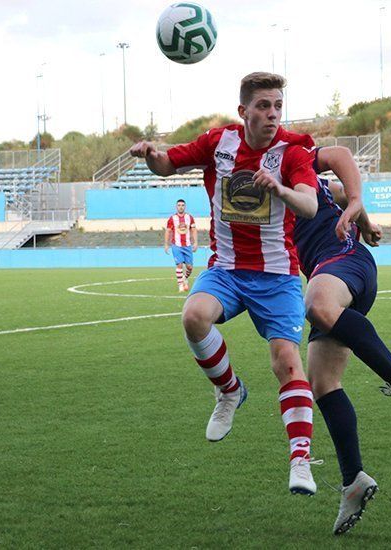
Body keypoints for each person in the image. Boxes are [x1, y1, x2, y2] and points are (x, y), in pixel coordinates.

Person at [129, 72, 322, 495]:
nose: (272, 115)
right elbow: (165, 165)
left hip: (277, 275)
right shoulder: (218, 142)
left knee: (287, 361)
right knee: (194, 316)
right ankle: (230, 391)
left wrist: (281, 190)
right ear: (244, 111)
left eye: (277, 107)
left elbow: (309, 204)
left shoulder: (293, 151)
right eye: (263, 106)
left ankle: (301, 461)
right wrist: (149, 154)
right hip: (228, 268)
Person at [297, 146, 391, 534]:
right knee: (322, 382)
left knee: (317, 304)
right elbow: (334, 196)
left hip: (345, 260)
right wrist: (367, 223)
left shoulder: (291, 160)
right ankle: (354, 481)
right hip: (329, 275)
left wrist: (359, 212)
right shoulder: (256, 190)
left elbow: (338, 162)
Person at [164, 199, 198, 292]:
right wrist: (166, 244)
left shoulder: (189, 217)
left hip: (187, 245)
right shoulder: (172, 218)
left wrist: (195, 242)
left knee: (190, 267)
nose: (181, 207)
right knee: (179, 265)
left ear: (185, 206)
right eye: (179, 205)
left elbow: (194, 230)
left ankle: (185, 278)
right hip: (176, 245)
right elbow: (168, 231)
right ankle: (180, 286)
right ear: (176, 207)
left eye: (182, 205)